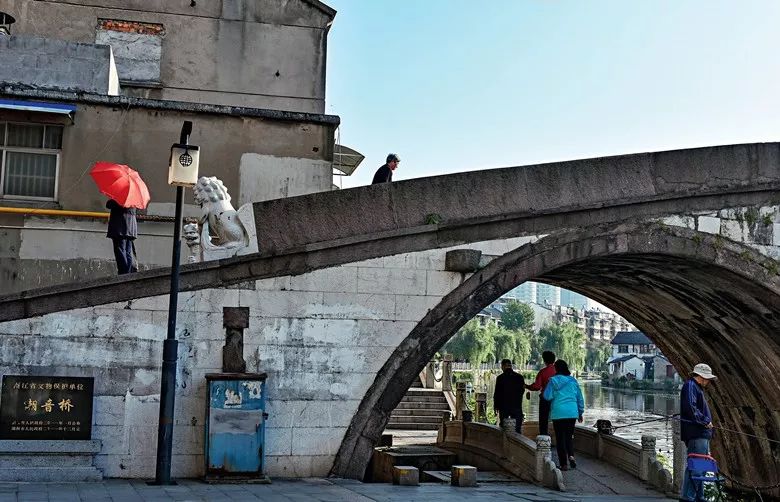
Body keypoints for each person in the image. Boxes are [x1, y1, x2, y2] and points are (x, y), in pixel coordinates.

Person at [679, 363, 717, 502]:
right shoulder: (690, 386)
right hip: (696, 433)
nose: (708, 381)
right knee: (696, 467)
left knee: (701, 467)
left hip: (702, 434)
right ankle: (688, 497)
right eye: (708, 378)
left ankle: (699, 497)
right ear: (701, 376)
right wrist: (705, 420)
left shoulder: (696, 387)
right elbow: (691, 407)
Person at [543, 359, 584, 471]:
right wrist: (580, 412)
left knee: (560, 438)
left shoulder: (553, 380)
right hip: (572, 412)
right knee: (569, 436)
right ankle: (571, 456)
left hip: (558, 412)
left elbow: (547, 396)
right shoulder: (573, 381)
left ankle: (563, 464)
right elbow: (580, 398)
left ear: (556, 369)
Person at [525, 350, 557, 436]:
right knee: (557, 418)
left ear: (544, 360)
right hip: (557, 399)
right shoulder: (558, 371)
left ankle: (543, 437)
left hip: (545, 399)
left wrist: (527, 386)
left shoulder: (543, 372)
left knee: (543, 419)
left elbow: (537, 387)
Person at [493, 359, 526, 434]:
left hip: (503, 406)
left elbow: (497, 393)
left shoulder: (500, 378)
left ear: (503, 366)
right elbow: (522, 391)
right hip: (516, 405)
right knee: (517, 427)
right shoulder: (519, 377)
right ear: (511, 366)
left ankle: (504, 440)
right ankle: (517, 439)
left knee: (503, 427)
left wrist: (495, 406)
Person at [106, 198, 138, 274]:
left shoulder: (121, 197)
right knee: (128, 252)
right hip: (130, 227)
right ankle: (128, 273)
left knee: (120, 251)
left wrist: (113, 197)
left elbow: (109, 204)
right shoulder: (134, 197)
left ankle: (124, 274)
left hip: (120, 227)